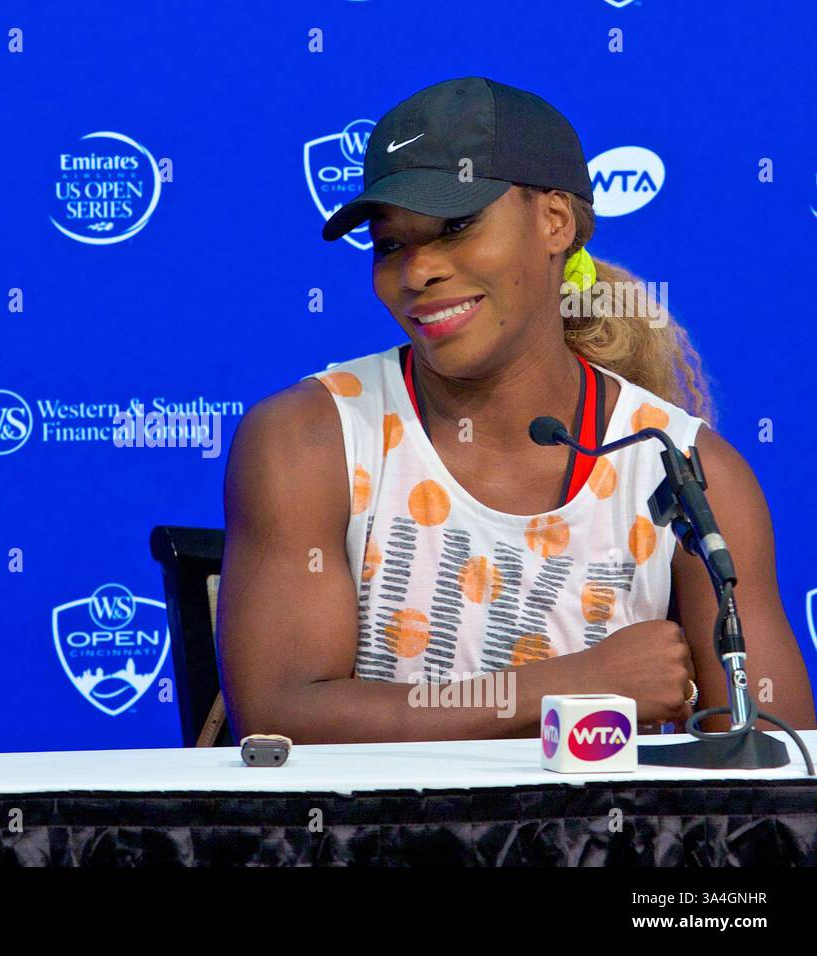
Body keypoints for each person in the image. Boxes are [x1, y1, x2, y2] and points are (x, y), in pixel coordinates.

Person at [217, 77, 815, 743]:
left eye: (456, 227)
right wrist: (562, 685)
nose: (417, 273)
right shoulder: (308, 439)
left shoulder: (685, 467)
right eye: (391, 244)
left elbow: (779, 755)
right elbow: (279, 715)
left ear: (554, 221)